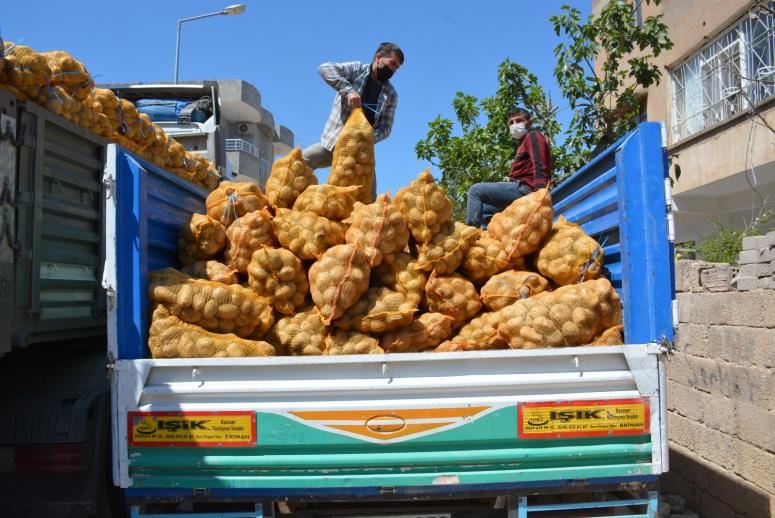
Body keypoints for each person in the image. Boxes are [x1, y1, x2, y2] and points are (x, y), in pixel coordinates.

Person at [302, 42, 403, 176]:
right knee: (299, 162)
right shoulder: (357, 70)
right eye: (392, 63)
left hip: (360, 154)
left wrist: (367, 136)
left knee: (368, 189)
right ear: (378, 58)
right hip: (333, 142)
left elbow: (386, 127)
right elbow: (325, 68)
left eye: (397, 67)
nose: (393, 70)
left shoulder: (391, 95)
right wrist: (348, 91)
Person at [465, 107, 552, 228]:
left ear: (530, 122)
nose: (514, 124)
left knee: (475, 190)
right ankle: (496, 234)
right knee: (484, 210)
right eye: (511, 122)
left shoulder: (532, 135)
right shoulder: (521, 144)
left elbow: (539, 162)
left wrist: (541, 191)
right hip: (519, 193)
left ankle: (469, 233)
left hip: (526, 189)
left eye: (519, 120)